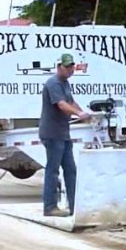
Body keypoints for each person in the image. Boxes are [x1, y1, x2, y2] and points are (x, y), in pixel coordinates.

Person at [39, 53, 92, 217]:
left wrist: (84, 112)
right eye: (67, 66)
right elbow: (62, 105)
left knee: (70, 169)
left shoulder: (65, 83)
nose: (70, 70)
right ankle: (50, 207)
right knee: (53, 170)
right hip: (52, 133)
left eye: (71, 67)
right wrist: (79, 114)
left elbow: (70, 101)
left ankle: (75, 206)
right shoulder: (53, 83)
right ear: (59, 67)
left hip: (63, 133)